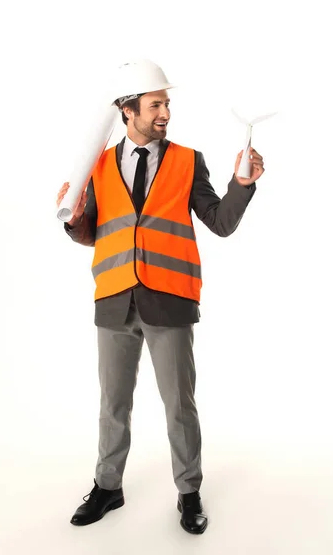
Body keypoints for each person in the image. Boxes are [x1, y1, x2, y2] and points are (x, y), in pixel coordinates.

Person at [56, 60, 265, 535]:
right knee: (113, 403)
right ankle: (108, 487)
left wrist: (243, 186)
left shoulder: (189, 160)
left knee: (178, 404)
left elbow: (221, 222)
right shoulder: (99, 164)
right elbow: (94, 232)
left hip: (168, 298)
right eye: (156, 104)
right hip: (112, 297)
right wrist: (73, 218)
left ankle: (189, 492)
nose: (165, 111)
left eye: (167, 103)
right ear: (128, 111)